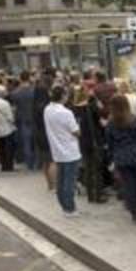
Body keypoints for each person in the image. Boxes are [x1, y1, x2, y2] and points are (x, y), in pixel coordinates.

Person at [104, 94, 136, 223]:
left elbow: (109, 143)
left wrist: (112, 158)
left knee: (129, 186)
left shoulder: (110, 124)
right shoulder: (135, 120)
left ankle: (135, 215)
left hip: (121, 158)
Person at [44, 85, 83, 217]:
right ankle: (70, 208)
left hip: (57, 150)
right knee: (69, 182)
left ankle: (64, 206)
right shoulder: (66, 113)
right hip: (70, 150)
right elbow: (76, 132)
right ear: (62, 96)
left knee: (61, 181)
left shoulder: (47, 109)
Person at [33, 71, 57, 191]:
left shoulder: (36, 99)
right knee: (52, 160)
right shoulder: (48, 105)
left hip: (38, 132)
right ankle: (55, 184)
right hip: (48, 133)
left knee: (45, 161)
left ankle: (49, 185)